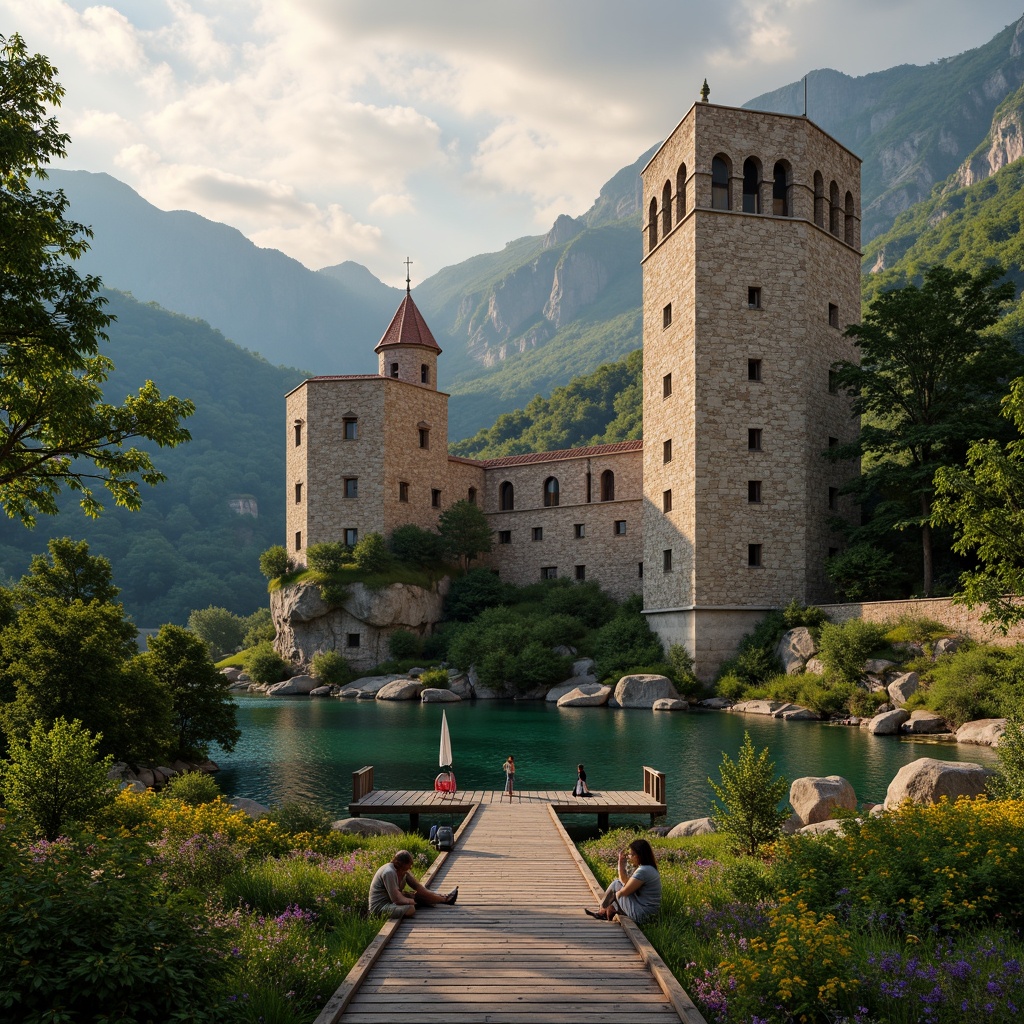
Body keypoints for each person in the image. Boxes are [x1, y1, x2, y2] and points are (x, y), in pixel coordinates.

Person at [584, 838, 661, 923]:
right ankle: (604, 912)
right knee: (617, 884)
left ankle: (602, 912)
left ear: (638, 856)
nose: (629, 857)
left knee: (617, 888)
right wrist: (621, 863)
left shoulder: (643, 871)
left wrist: (614, 897)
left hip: (642, 915)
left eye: (631, 854)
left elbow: (624, 892)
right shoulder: (649, 868)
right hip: (649, 914)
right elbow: (626, 882)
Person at [368, 850, 458, 918]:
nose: (410, 867)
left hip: (393, 902)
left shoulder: (403, 871)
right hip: (381, 906)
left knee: (420, 895)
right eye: (409, 865)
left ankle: (445, 898)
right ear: (400, 864)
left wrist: (432, 896)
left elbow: (418, 887)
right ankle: (444, 899)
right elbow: (397, 899)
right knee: (410, 909)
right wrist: (415, 901)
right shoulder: (389, 872)